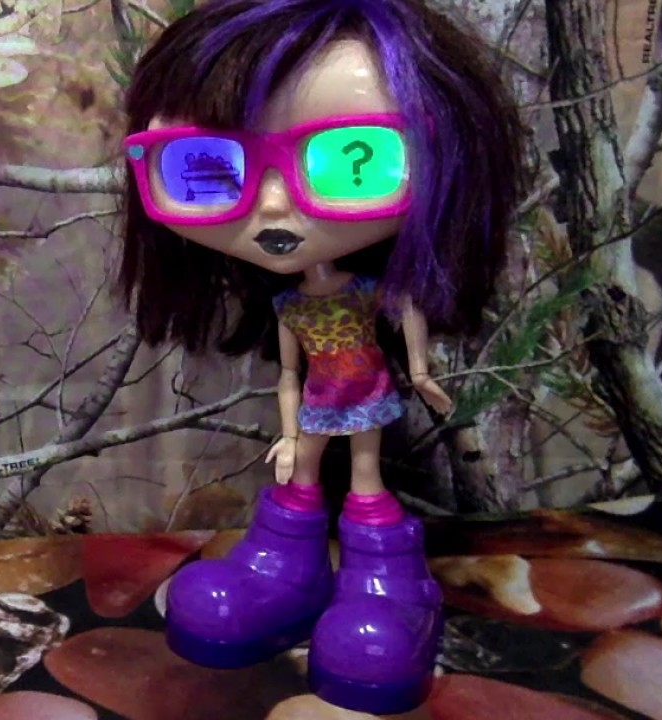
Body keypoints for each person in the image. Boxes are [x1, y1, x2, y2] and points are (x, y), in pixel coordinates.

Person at [117, 0, 527, 712]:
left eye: (350, 159)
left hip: (364, 393)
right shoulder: (292, 307)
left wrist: (422, 377)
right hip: (316, 401)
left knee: (366, 477)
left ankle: (386, 575)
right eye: (207, 167)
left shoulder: (371, 297)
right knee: (302, 469)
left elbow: (409, 327)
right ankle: (284, 567)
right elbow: (289, 373)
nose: (275, 206)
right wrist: (284, 428)